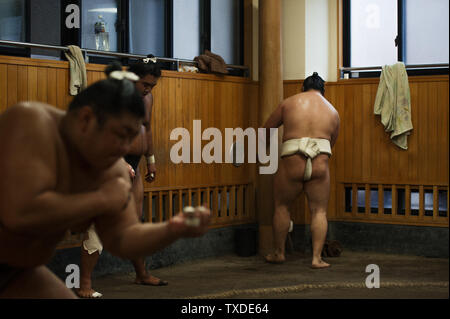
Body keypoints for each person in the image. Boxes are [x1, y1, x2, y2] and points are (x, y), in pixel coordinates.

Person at [0, 71, 211, 298]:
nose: (125, 147)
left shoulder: (111, 170)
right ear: (86, 119)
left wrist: (171, 229)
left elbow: (123, 238)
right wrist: (101, 198)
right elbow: (20, 212)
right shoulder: (32, 123)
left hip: (18, 271)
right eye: (121, 135)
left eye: (132, 138)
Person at [76, 58, 166, 298]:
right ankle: (84, 284)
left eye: (152, 86)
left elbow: (148, 127)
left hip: (135, 165)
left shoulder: (147, 98)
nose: (148, 89)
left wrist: (152, 159)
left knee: (135, 222)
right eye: (145, 84)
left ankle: (141, 274)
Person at [263, 72, 340, 269]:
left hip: (292, 161)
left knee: (281, 207)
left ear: (302, 88)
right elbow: (332, 142)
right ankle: (316, 258)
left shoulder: (289, 103)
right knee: (319, 211)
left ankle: (278, 253)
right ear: (323, 90)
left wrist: (266, 147)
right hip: (320, 162)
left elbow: (267, 128)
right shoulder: (332, 111)